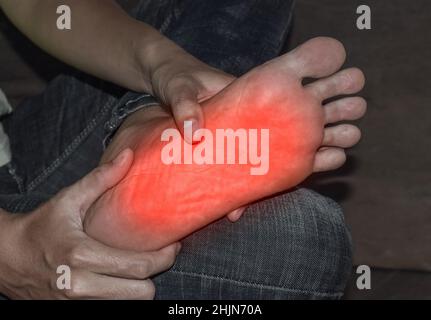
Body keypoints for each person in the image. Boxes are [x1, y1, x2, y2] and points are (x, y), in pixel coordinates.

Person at [0, 0, 366, 299]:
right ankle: (99, 223)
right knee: (309, 242)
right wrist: (10, 254)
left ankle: (148, 126)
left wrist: (164, 67)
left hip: (17, 144)